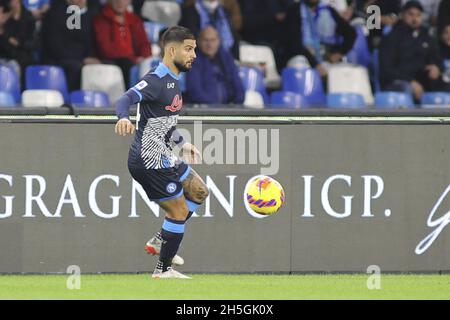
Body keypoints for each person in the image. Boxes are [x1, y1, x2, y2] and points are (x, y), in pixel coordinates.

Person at [114, 26, 209, 279]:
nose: (194, 55)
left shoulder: (174, 82)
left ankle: (160, 241)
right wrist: (123, 118)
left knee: (199, 191)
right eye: (189, 49)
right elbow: (123, 99)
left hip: (165, 154)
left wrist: (182, 144)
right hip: (148, 160)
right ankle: (163, 270)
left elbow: (163, 123)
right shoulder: (156, 80)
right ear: (172, 50)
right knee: (177, 211)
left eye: (195, 49)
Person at [379, 1, 449, 101]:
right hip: (398, 82)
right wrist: (410, 81)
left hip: (424, 81)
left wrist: (436, 68)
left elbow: (437, 60)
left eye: (418, 15)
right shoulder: (392, 37)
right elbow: (386, 70)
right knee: (406, 89)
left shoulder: (427, 36)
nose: (415, 18)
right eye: (411, 14)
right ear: (403, 15)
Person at [281, 0, 356, 76]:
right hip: (303, 60)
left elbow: (350, 33)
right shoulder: (294, 10)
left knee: (348, 71)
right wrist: (315, 64)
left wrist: (340, 52)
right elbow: (294, 44)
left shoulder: (328, 10)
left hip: (326, 60)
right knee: (299, 65)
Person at [42, 0, 100, 91]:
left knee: (107, 65)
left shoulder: (89, 14)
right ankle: (73, 100)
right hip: (58, 59)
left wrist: (90, 57)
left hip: (80, 59)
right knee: (75, 67)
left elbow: (89, 43)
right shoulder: (55, 14)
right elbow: (55, 47)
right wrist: (82, 59)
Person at [93, 0, 151, 84]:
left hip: (133, 61)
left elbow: (144, 44)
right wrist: (134, 59)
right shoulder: (100, 20)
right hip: (112, 61)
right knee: (126, 64)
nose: (120, 2)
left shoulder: (135, 20)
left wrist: (143, 57)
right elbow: (105, 49)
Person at [185, 26, 244, 104]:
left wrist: (236, 104)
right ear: (198, 42)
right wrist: (216, 107)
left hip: (229, 109)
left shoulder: (227, 58)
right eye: (206, 40)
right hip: (204, 110)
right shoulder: (193, 61)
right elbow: (195, 93)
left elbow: (239, 88)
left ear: (218, 41)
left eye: (213, 40)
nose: (209, 44)